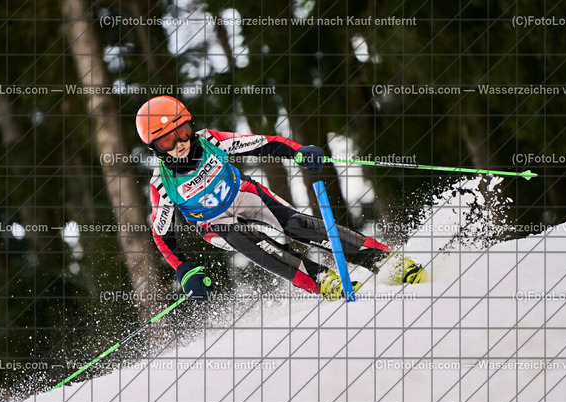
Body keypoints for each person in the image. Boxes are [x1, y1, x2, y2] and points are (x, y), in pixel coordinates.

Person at [136, 96, 426, 301]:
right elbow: (162, 234)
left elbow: (264, 144)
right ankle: (321, 279)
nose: (180, 143)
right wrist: (184, 270)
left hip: (244, 194)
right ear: (155, 147)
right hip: (214, 222)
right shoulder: (162, 184)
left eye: (182, 131)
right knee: (248, 241)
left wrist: (298, 151)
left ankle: (383, 260)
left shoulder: (210, 140)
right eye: (167, 140)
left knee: (297, 225)